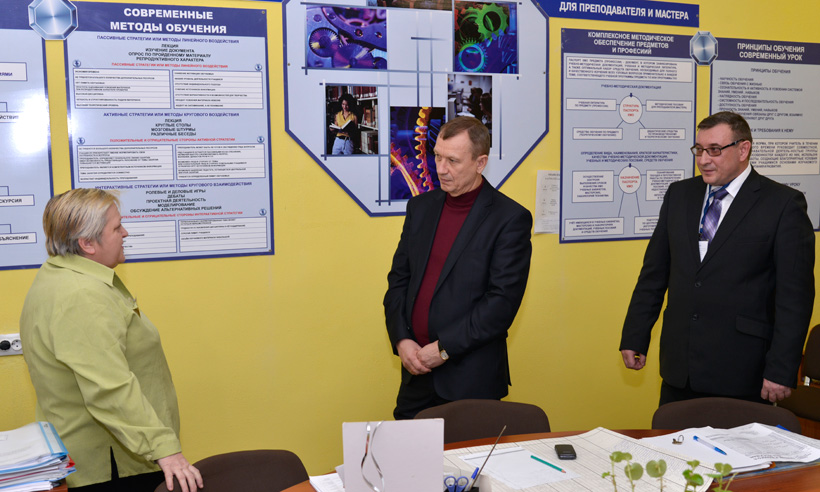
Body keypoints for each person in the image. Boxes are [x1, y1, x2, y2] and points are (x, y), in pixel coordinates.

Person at [620, 111, 815, 406]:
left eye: (714, 150)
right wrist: (635, 335)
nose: (703, 160)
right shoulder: (679, 195)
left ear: (743, 149)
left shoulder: (783, 204)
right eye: (699, 150)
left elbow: (795, 297)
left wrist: (781, 368)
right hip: (680, 368)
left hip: (743, 370)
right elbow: (654, 274)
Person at [20, 188, 203, 492]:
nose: (125, 233)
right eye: (117, 228)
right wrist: (164, 449)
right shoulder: (81, 296)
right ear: (88, 243)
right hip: (113, 464)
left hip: (103, 455)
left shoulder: (58, 277)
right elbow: (108, 387)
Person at [384, 116, 532, 419]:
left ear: (480, 163)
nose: (440, 168)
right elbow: (399, 279)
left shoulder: (509, 219)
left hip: (471, 380)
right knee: (405, 448)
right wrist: (402, 340)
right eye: (437, 156)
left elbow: (500, 304)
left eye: (452, 160)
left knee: (466, 452)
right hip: (416, 372)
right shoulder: (420, 208)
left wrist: (443, 349)